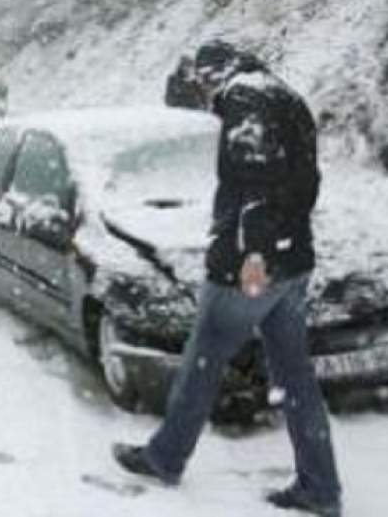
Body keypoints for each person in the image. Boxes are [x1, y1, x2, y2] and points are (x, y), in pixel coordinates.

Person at [112, 39, 342, 517]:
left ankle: (165, 457)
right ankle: (320, 487)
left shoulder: (244, 98)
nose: (202, 91)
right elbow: (306, 181)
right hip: (293, 261)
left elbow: (255, 184)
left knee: (202, 364)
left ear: (212, 74)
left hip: (250, 268)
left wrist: (254, 255)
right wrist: (283, 246)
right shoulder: (284, 95)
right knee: (297, 379)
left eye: (201, 81)